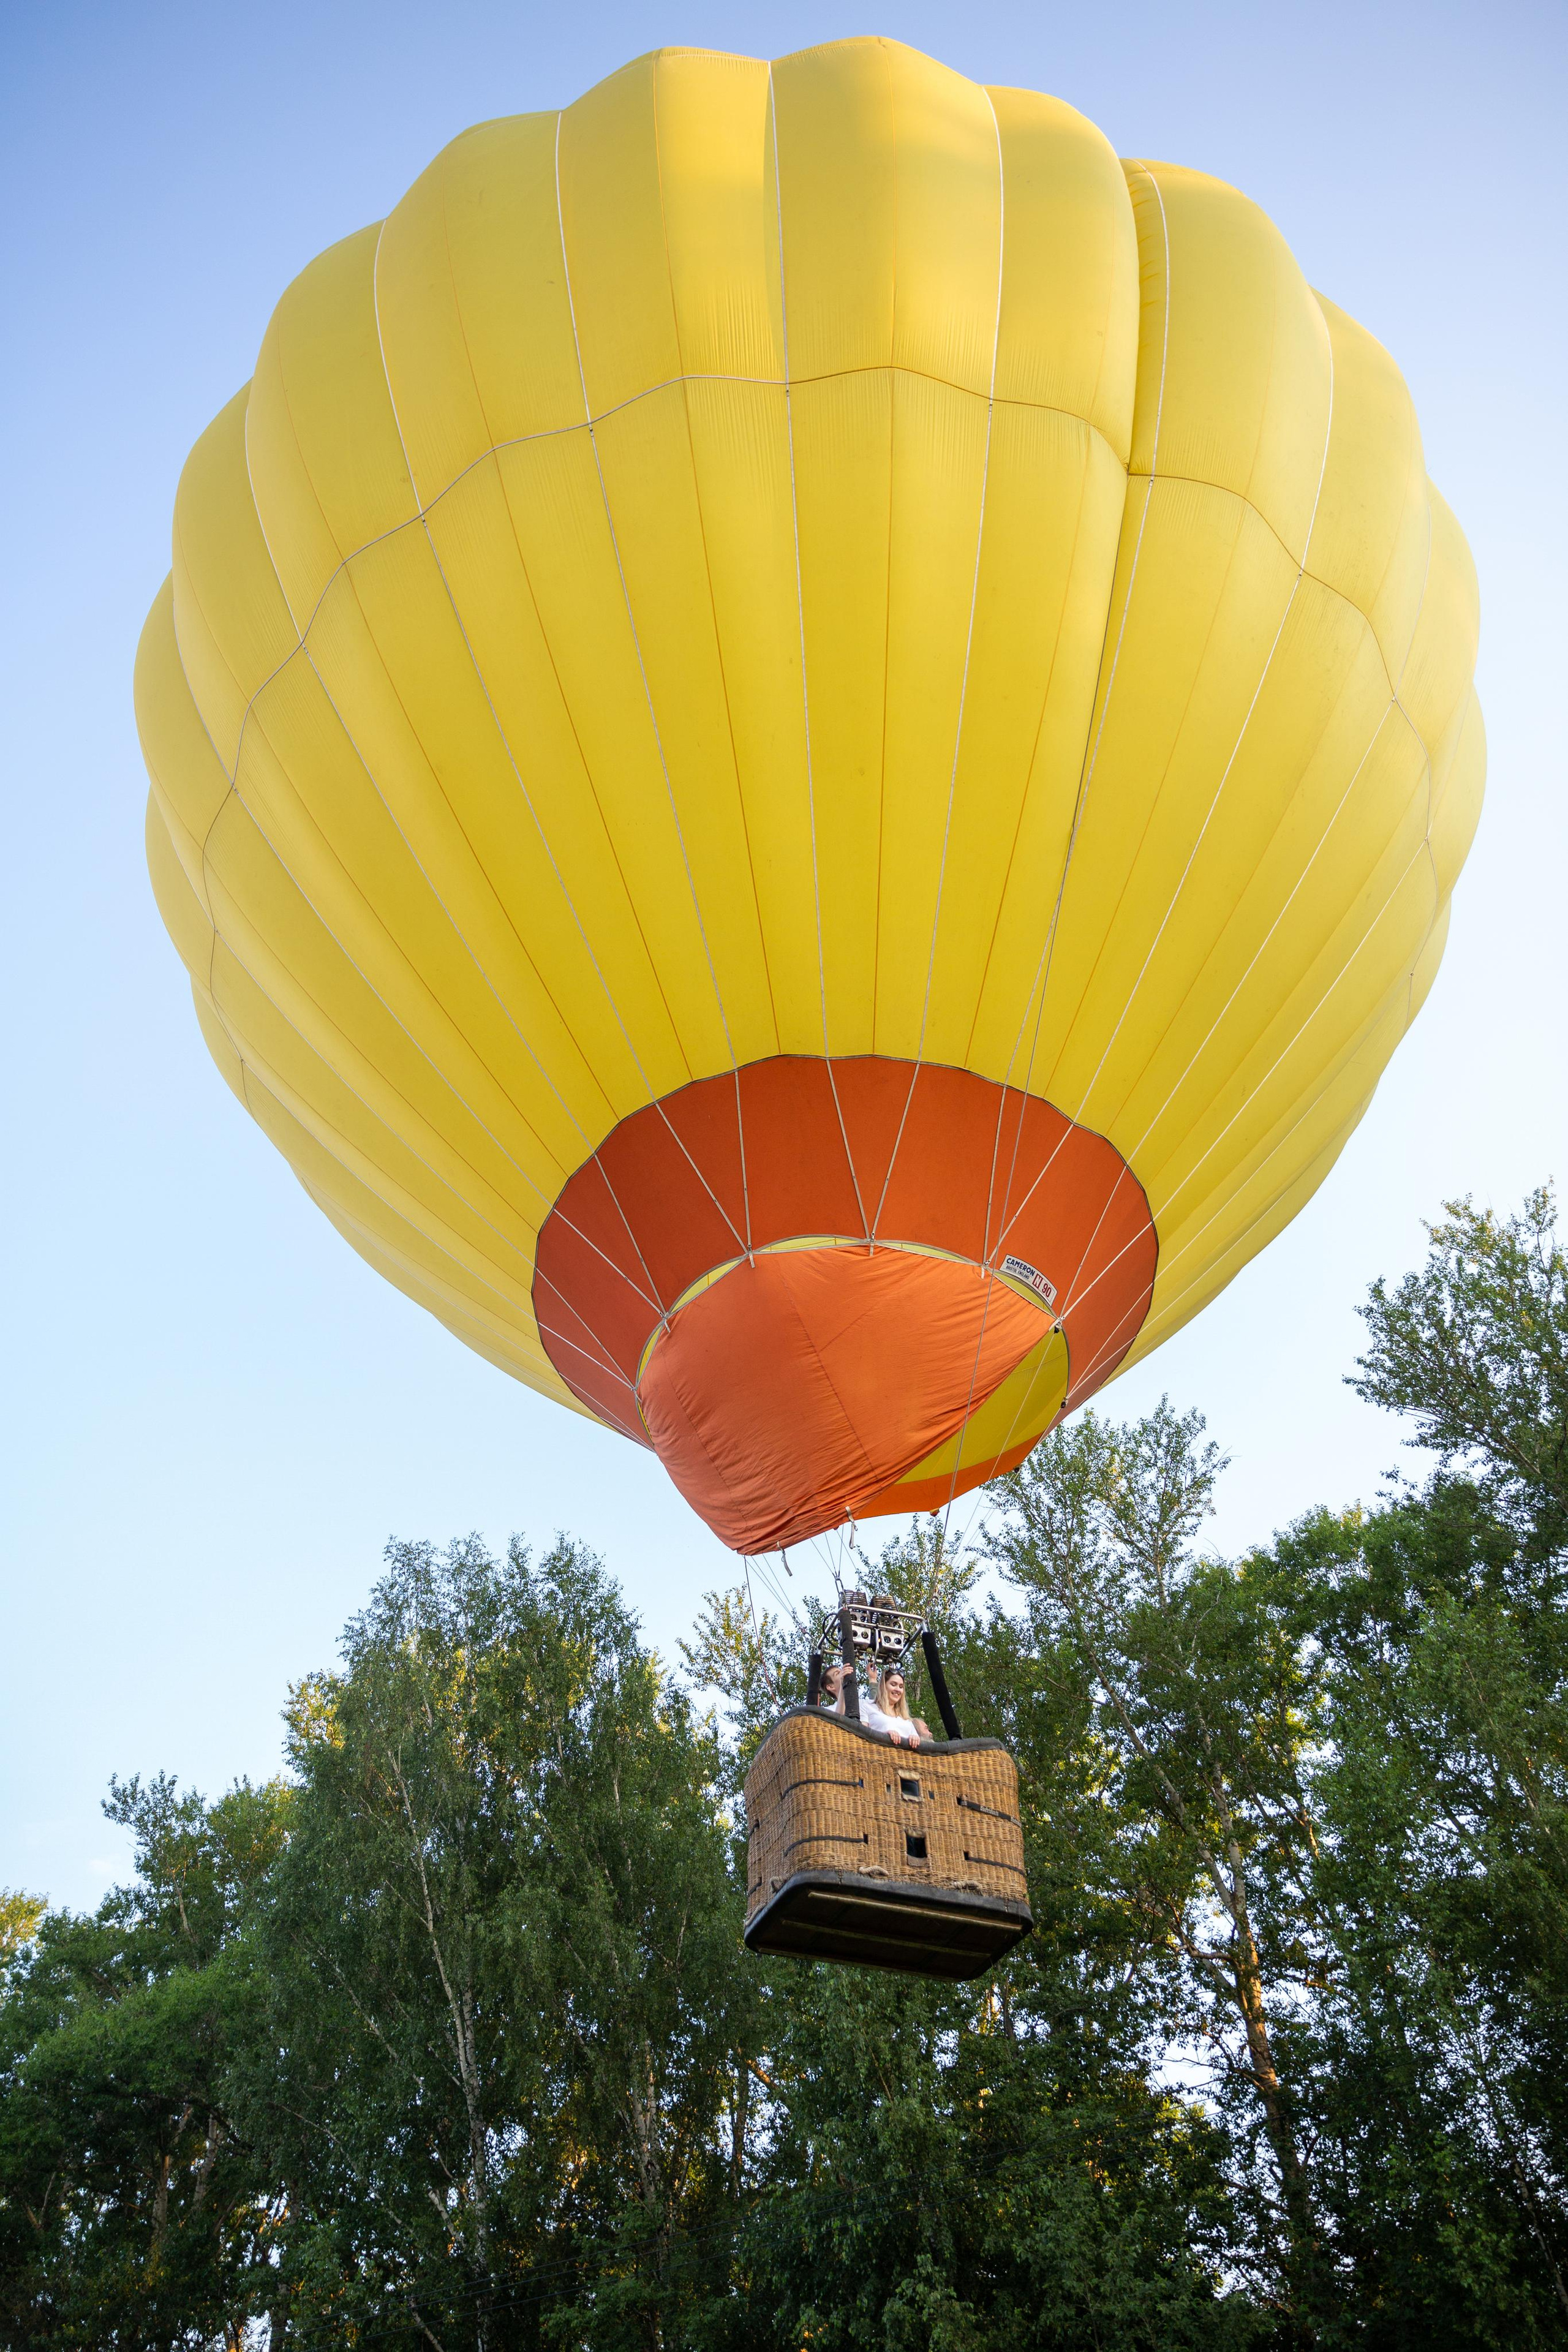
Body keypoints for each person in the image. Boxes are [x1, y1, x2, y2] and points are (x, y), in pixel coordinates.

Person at [862, 1664, 930, 1746]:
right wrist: (883, 1736)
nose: (898, 1689)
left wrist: (915, 1738)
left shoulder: (906, 1719)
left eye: (901, 1687)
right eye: (893, 1685)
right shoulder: (867, 1706)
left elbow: (917, 1744)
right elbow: (862, 1735)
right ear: (884, 1686)